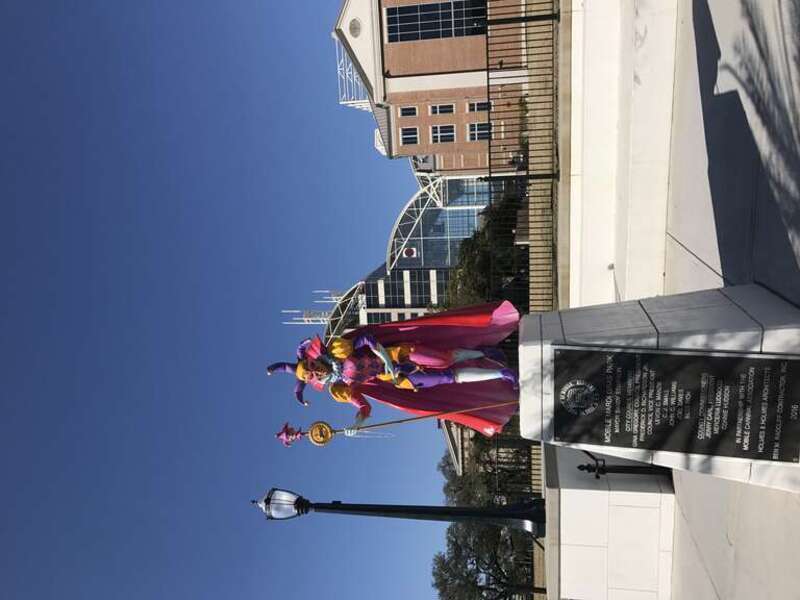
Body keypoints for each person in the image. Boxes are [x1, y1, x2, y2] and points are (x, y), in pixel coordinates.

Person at [267, 301, 520, 437]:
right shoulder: (340, 387)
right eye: (309, 376)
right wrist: (357, 422)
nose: (314, 372)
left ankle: (483, 353)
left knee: (444, 359)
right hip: (401, 379)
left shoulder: (336, 350)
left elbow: (365, 339)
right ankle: (503, 374)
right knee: (448, 378)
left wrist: (384, 357)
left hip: (401, 353)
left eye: (309, 367)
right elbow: (364, 405)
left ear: (313, 358)